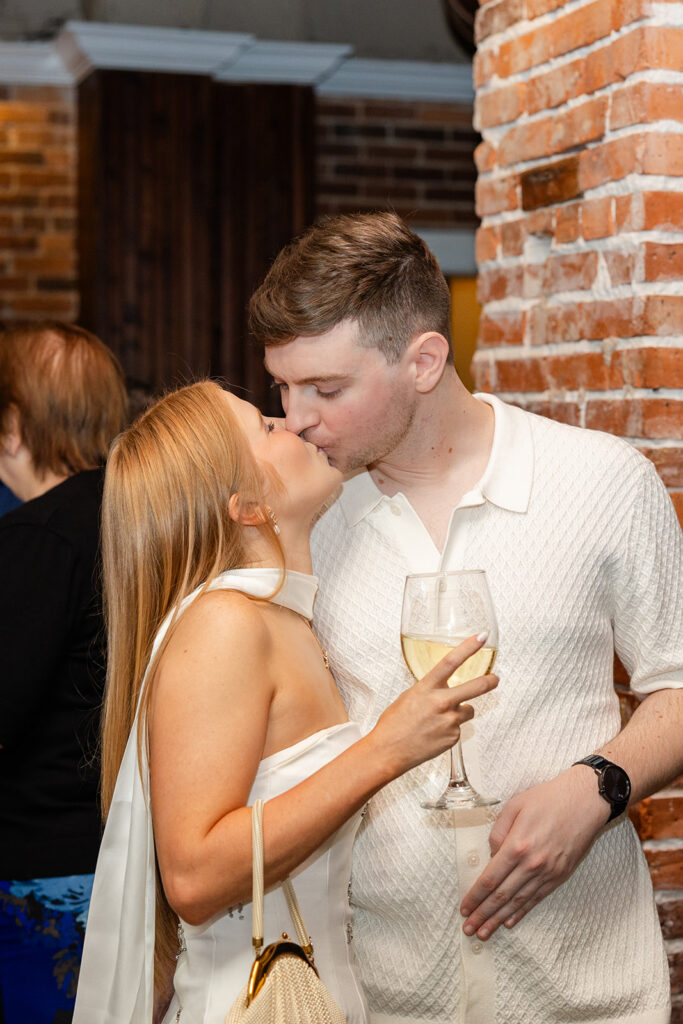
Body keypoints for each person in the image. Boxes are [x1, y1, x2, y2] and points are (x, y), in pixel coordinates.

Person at [248, 211, 683, 1024]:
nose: (295, 416)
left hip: (588, 990)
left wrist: (601, 786)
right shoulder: (309, 521)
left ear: (422, 360)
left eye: (325, 389)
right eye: (282, 387)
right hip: (382, 994)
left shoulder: (601, 481)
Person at [72, 380, 497, 1024]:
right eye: (266, 426)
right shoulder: (226, 623)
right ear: (246, 505)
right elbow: (191, 878)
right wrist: (386, 749)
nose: (293, 423)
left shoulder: (286, 620)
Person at [0, 321, 128, 1023]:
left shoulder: (35, 536)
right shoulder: (135, 517)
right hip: (118, 855)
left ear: (13, 426)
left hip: (37, 877)